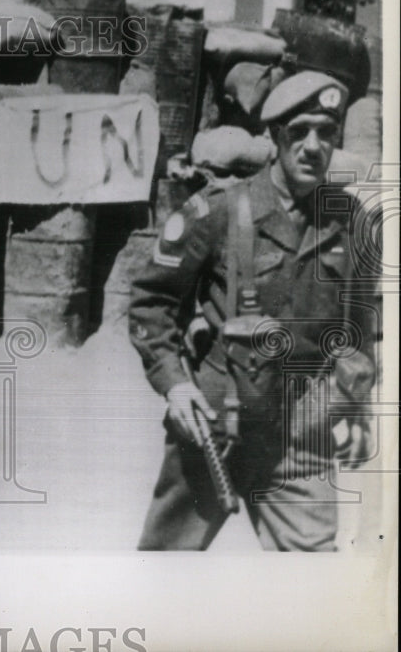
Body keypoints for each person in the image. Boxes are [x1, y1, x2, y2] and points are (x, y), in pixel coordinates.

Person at [130, 70, 379, 551]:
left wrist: (357, 409)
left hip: (300, 434)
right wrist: (175, 384)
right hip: (214, 425)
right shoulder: (217, 211)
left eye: (326, 133)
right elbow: (151, 302)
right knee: (164, 567)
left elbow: (358, 332)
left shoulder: (352, 223)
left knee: (312, 581)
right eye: (299, 132)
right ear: (273, 137)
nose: (313, 146)